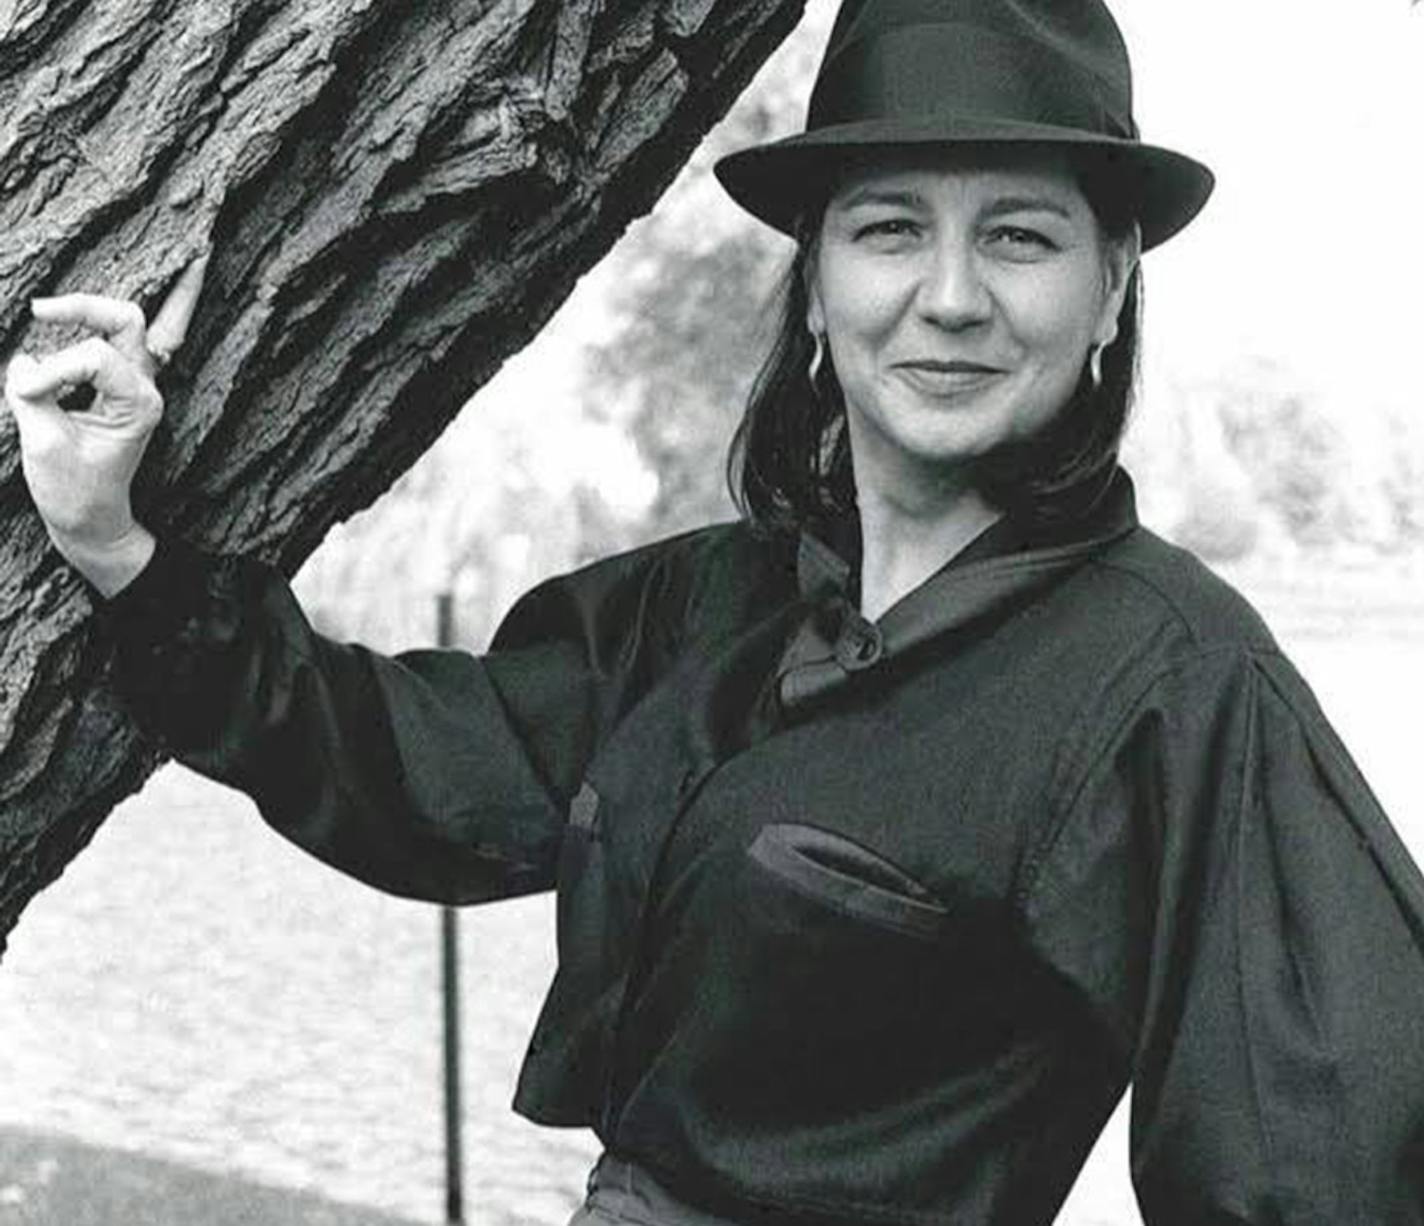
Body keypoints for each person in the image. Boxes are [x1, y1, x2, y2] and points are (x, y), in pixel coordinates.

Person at [6, 0, 1424, 1222]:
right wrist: (119, 541)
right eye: (888, 230)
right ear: (815, 282)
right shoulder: (706, 601)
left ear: (1111, 288)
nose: (948, 298)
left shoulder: (1175, 681)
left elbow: (1328, 1158)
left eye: (1021, 237)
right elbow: (410, 769)